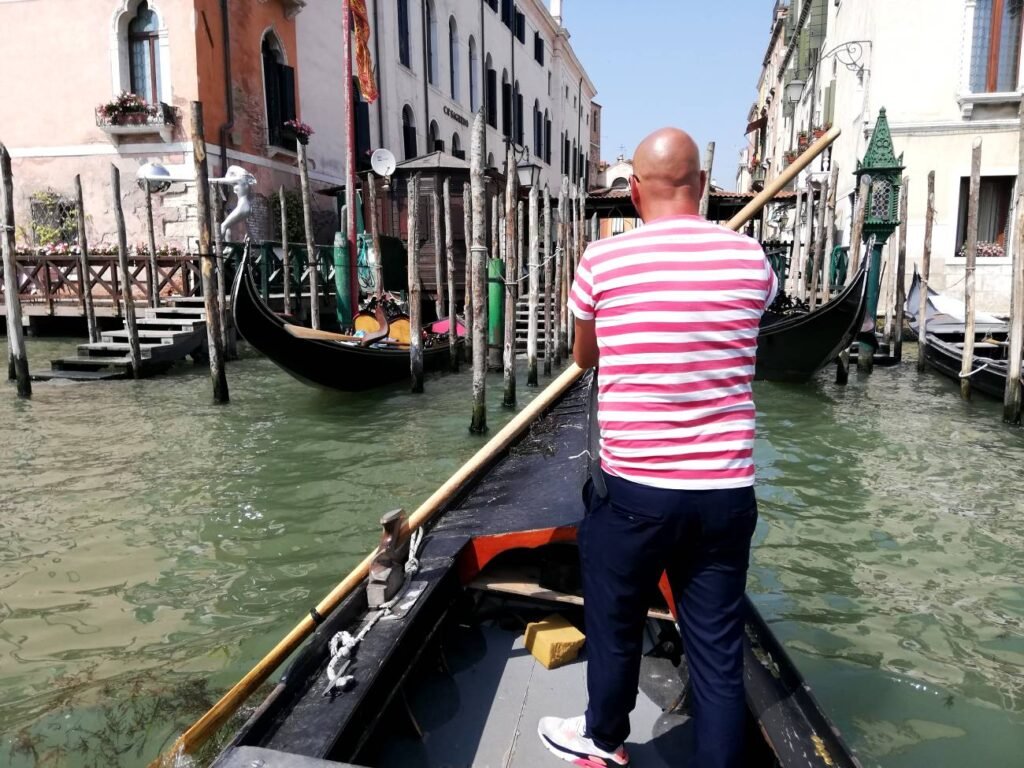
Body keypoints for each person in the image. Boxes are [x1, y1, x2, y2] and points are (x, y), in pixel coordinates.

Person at [537, 127, 777, 768]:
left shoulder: (602, 261)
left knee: (615, 625)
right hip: (726, 494)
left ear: (634, 191)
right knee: (717, 651)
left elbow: (585, 357)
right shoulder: (751, 260)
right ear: (701, 187)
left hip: (636, 493)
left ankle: (603, 740)